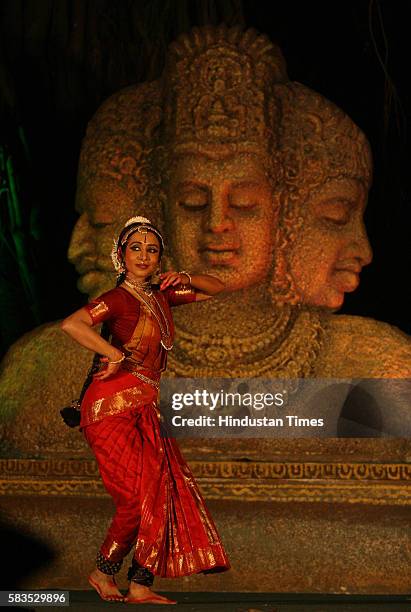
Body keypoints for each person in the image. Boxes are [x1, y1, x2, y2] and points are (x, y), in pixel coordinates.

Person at [60, 216, 229, 604]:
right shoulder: (118, 298)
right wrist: (113, 352)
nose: (144, 256)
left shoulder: (161, 296)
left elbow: (217, 288)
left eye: (151, 250)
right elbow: (73, 324)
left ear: (159, 259)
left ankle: (139, 585)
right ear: (121, 255)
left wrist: (183, 275)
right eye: (135, 248)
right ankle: (103, 572)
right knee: (136, 500)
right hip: (109, 409)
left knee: (160, 493)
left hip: (143, 408)